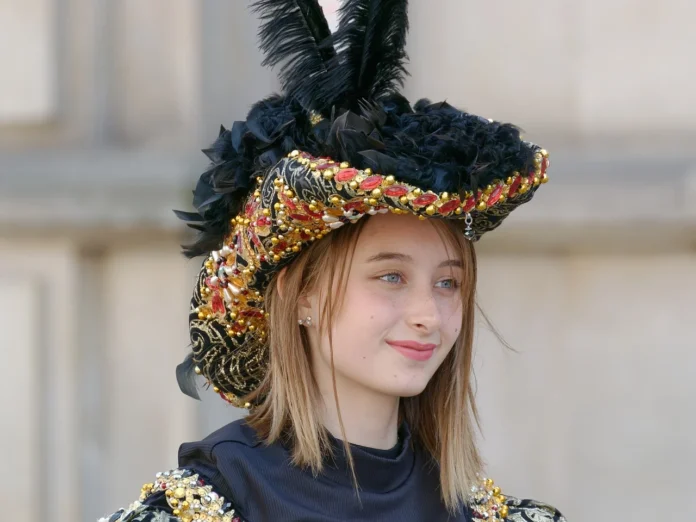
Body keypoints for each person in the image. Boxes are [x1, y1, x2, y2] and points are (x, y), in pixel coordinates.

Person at [100, 1, 563, 521]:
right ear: (302, 295)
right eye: (391, 276)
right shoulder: (203, 508)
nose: (428, 315)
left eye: (448, 283)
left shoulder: (485, 514)